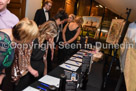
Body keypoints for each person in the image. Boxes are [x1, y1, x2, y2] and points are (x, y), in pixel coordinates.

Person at [13, 9, 68, 91]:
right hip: (27, 70)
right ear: (46, 31)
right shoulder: (33, 37)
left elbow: (44, 56)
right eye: (50, 36)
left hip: (38, 68)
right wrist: (31, 69)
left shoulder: (46, 40)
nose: (51, 38)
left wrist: (45, 70)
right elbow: (22, 55)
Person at [0, 18, 39, 89]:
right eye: (30, 39)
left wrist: (2, 74)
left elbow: (2, 62)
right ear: (24, 37)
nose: (30, 42)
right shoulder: (3, 42)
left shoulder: (11, 39)